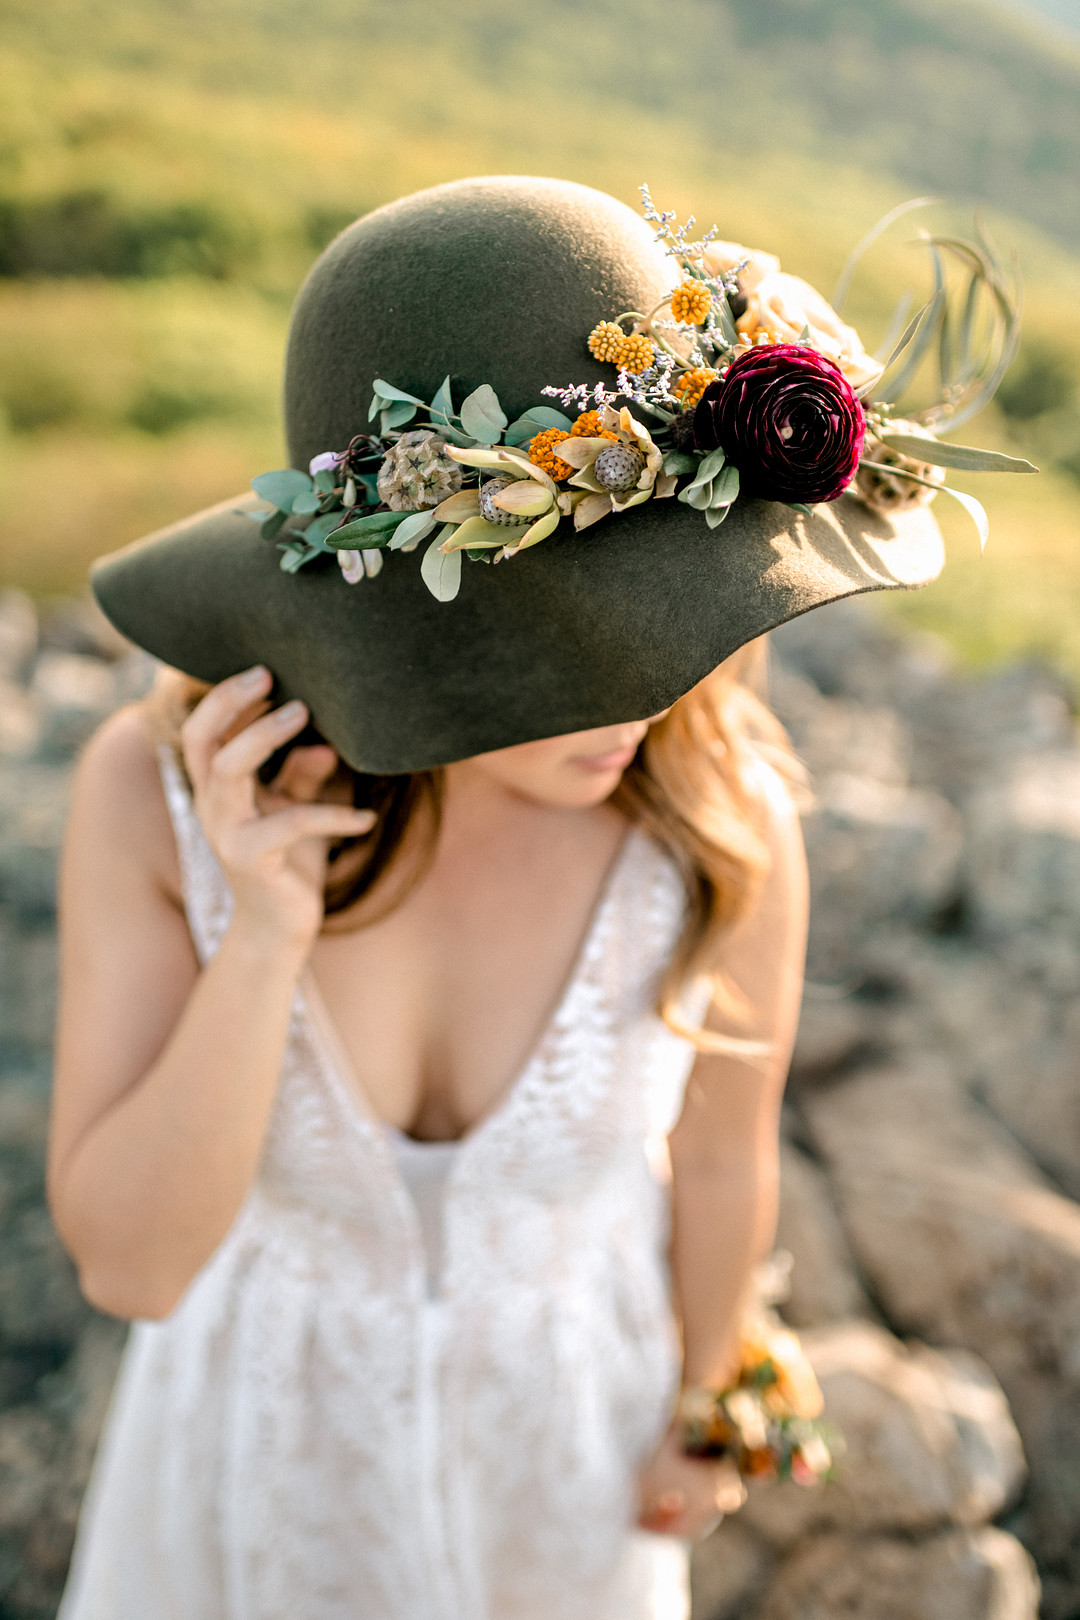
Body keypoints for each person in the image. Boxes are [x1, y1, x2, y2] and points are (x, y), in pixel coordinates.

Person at [46, 176, 947, 1620]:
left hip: (569, 1480)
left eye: (665, 611)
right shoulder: (149, 799)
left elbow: (722, 1162)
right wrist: (263, 930)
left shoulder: (721, 822)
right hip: (250, 1480)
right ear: (386, 609)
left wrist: (714, 1401)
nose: (636, 704)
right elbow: (133, 1267)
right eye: (562, 641)